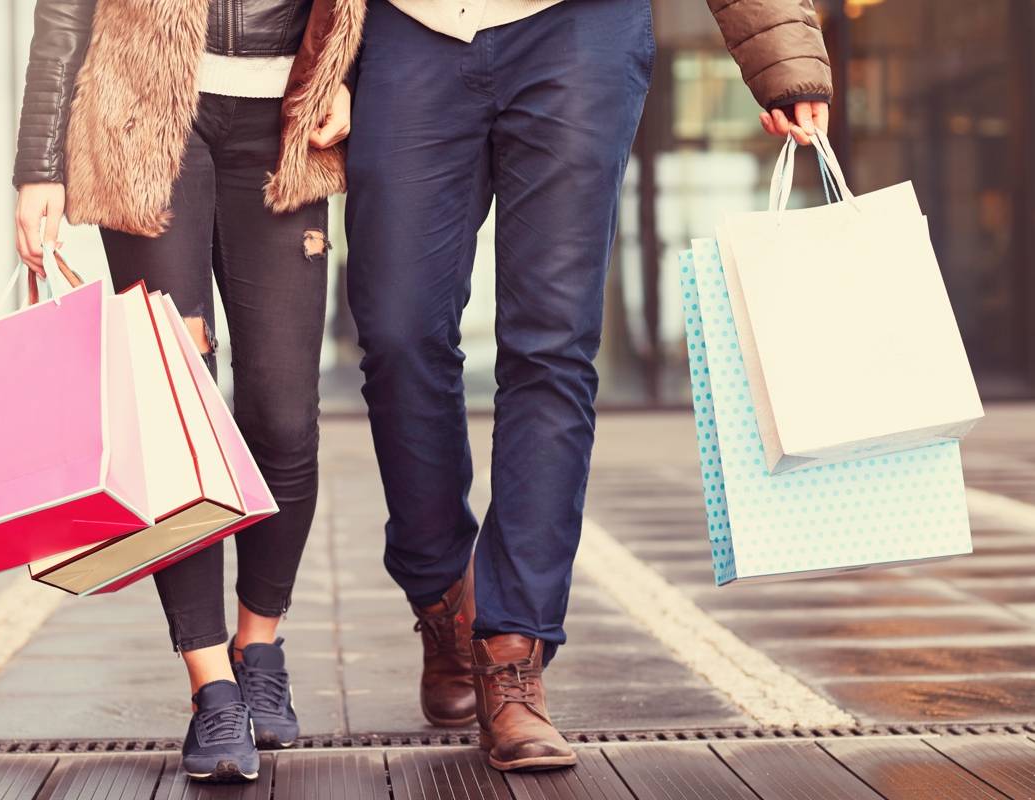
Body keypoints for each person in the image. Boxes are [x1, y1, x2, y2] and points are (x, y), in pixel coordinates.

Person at [345, 0, 832, 771]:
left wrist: (785, 56)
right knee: (397, 332)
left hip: (577, 30)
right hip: (413, 28)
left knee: (551, 346)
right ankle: (442, 590)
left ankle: (513, 655)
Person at [11, 0, 363, 783]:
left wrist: (352, 79)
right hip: (146, 114)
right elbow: (64, 12)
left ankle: (260, 642)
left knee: (282, 417)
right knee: (176, 415)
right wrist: (39, 161)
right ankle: (212, 684)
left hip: (288, 122)